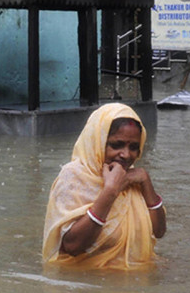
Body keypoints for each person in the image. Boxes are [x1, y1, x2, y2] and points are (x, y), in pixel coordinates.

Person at [42, 103, 166, 270]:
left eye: (133, 147)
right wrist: (110, 191)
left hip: (133, 282)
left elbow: (159, 231)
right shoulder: (73, 177)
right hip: (86, 282)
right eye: (116, 145)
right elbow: (72, 246)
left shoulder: (132, 179)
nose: (126, 155)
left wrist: (146, 182)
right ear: (98, 142)